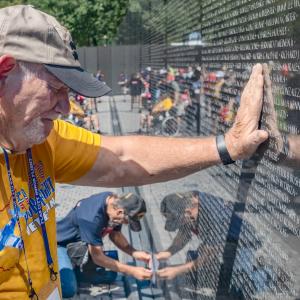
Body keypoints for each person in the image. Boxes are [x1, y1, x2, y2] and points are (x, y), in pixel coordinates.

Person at [0, 5, 269, 300]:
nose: (65, 108)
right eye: (54, 88)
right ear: (4, 71)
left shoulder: (42, 139)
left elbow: (123, 157)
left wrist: (230, 145)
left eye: (68, 92)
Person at [56, 192, 150, 298]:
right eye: (126, 221)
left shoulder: (113, 203)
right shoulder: (91, 217)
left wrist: (135, 253)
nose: (126, 224)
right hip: (60, 244)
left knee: (110, 275)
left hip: (81, 245)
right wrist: (132, 271)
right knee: (68, 288)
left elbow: (115, 235)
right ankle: (69, 269)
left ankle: (76, 268)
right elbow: (98, 257)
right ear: (119, 212)